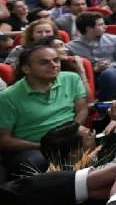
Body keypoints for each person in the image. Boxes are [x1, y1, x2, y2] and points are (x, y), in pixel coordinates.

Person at [0, 44, 88, 176]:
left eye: (56, 60)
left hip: (69, 137)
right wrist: (43, 146)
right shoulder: (8, 97)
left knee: (90, 138)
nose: (54, 65)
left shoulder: (71, 78)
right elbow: (4, 140)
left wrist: (72, 130)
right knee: (36, 161)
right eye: (44, 62)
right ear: (26, 69)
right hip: (32, 147)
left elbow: (82, 109)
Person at [67, 11, 116, 101]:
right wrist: (94, 69)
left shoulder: (114, 39)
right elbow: (72, 69)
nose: (105, 27)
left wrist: (111, 65)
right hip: (87, 76)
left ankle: (107, 104)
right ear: (89, 29)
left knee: (108, 74)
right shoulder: (71, 47)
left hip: (113, 73)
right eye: (100, 25)